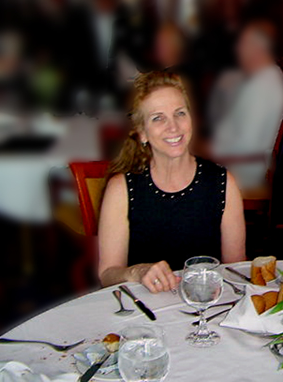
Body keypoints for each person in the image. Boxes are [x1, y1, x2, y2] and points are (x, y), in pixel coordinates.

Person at [98, 71, 246, 292]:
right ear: (142, 133)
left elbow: (235, 268)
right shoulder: (122, 189)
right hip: (146, 313)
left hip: (205, 308)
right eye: (158, 118)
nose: (173, 127)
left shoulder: (222, 182)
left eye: (180, 113)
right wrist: (136, 272)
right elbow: (107, 273)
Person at [210, 20, 283, 189]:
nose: (238, 51)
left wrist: (210, 148)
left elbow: (247, 139)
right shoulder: (265, 76)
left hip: (251, 166)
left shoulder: (264, 81)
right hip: (249, 159)